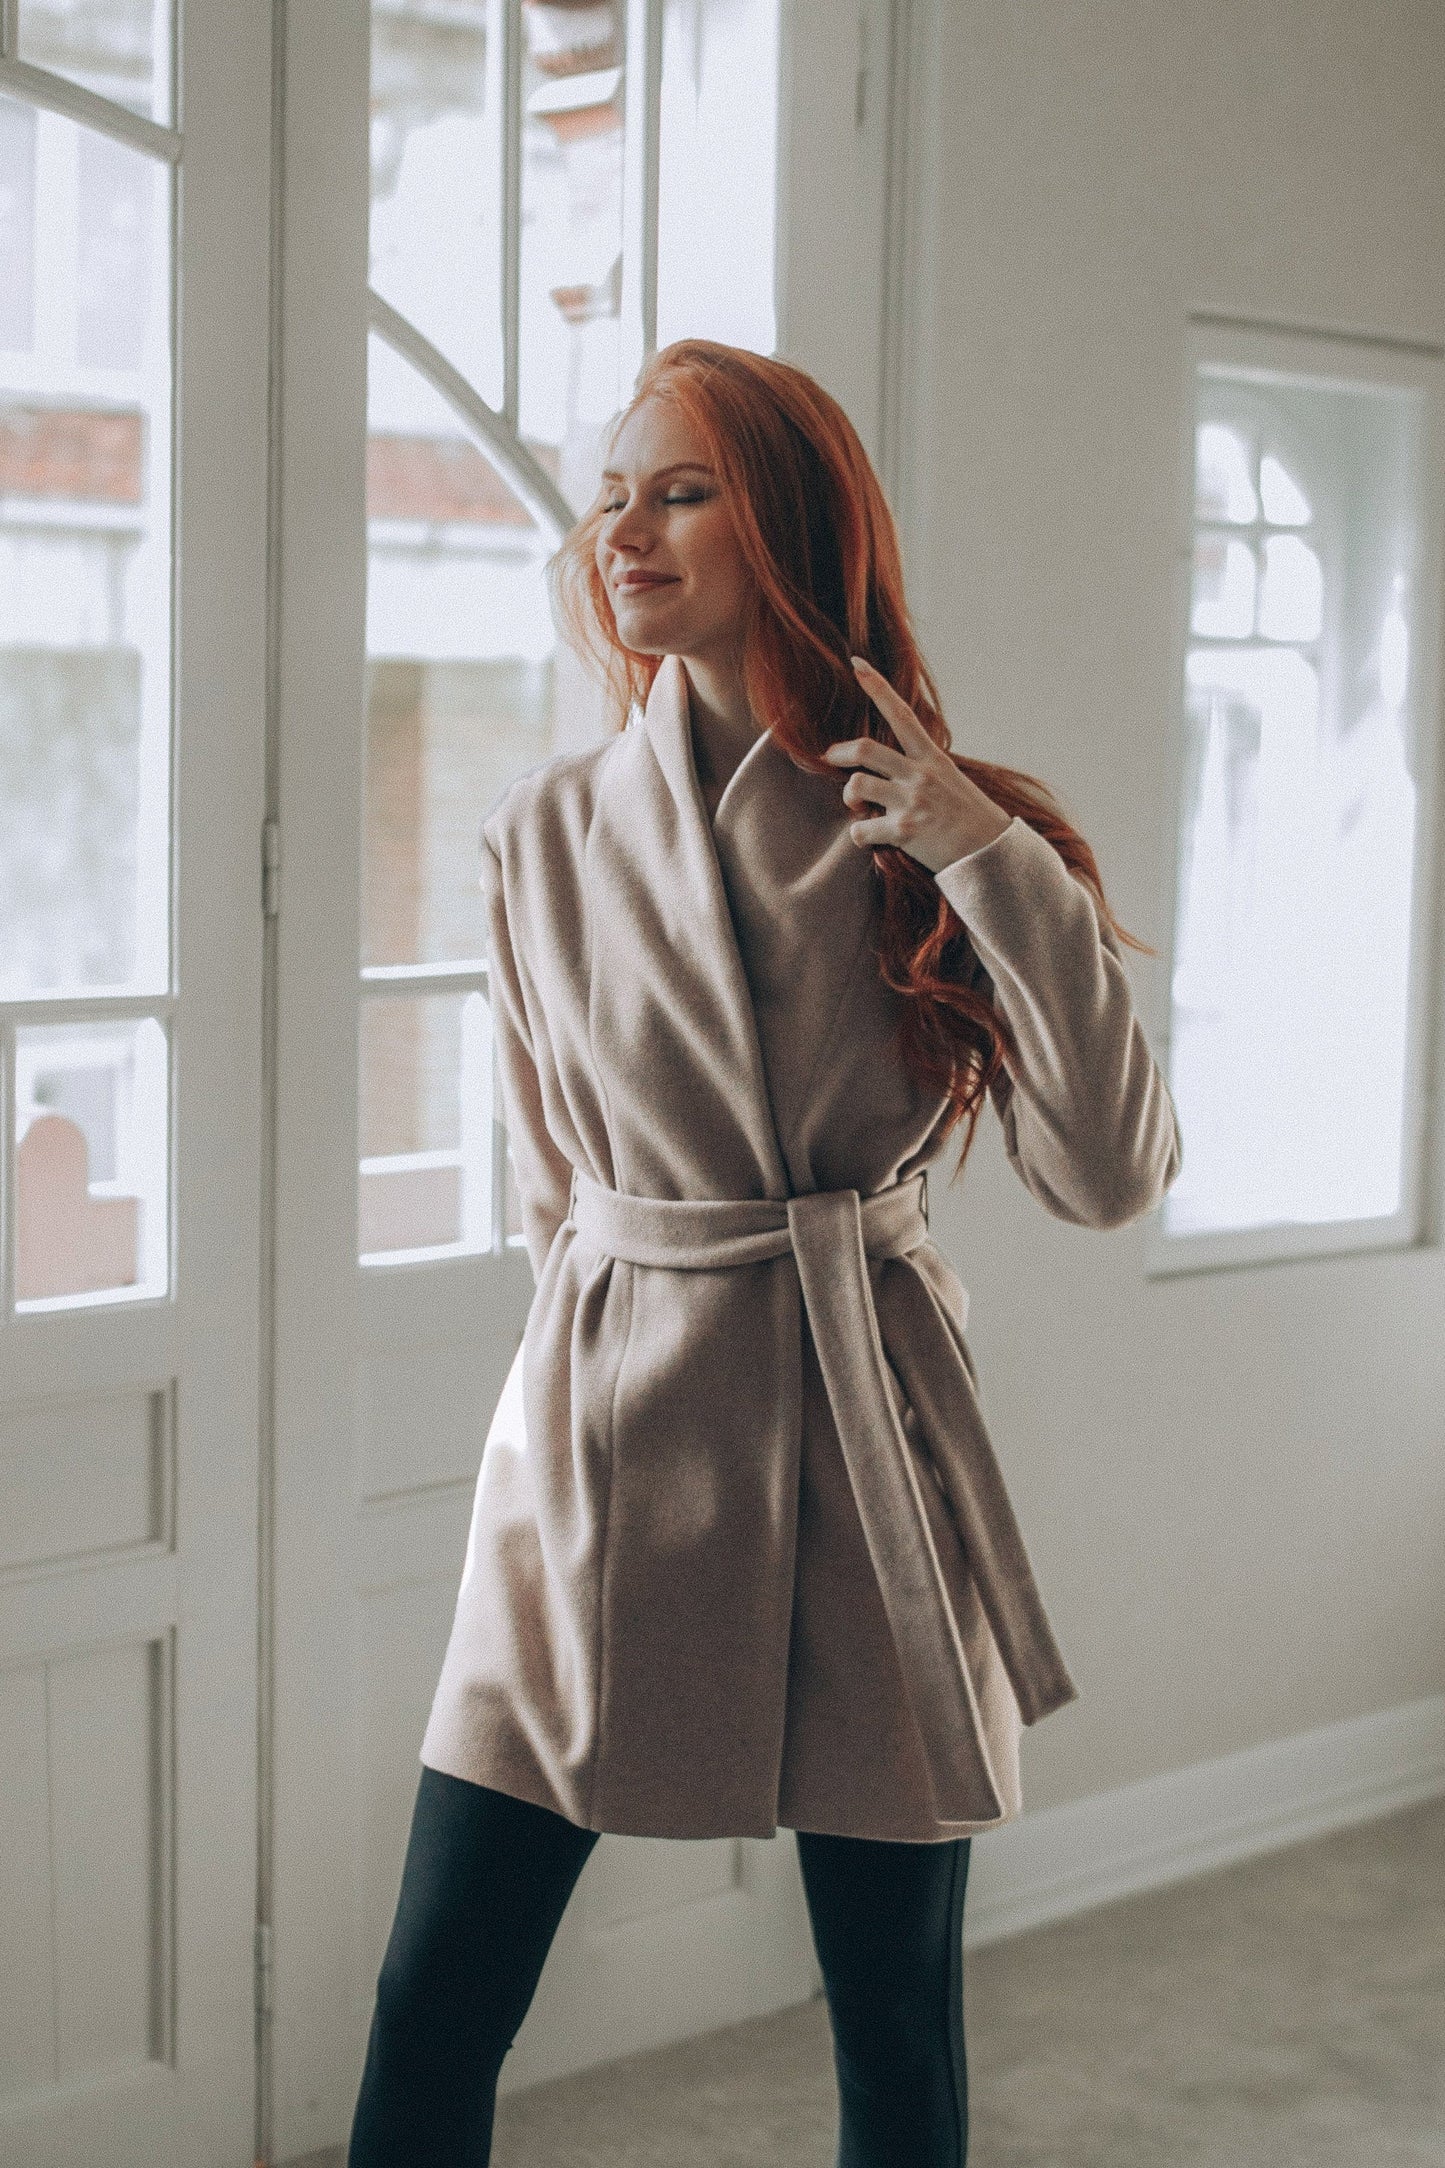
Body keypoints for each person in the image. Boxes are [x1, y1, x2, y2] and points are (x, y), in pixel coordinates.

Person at [348, 339, 1182, 2166]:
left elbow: (1109, 1175)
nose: (623, 532)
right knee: (434, 1998)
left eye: (680, 491)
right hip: (604, 1442)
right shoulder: (542, 834)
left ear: (790, 524)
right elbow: (553, 1191)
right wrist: (576, 1412)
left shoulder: (944, 830)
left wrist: (987, 857)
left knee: (891, 2024)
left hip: (867, 1447)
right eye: (609, 496)